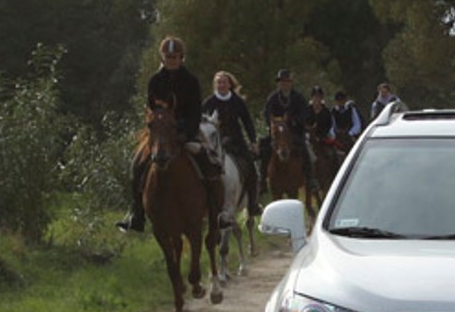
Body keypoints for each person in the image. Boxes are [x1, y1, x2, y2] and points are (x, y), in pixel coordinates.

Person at [118, 35, 211, 233]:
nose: (172, 61)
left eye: (175, 57)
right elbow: (151, 109)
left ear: (181, 58)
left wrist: (185, 133)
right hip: (159, 132)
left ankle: (214, 209)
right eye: (168, 57)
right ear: (163, 58)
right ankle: (137, 214)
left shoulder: (191, 81)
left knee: (208, 159)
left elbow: (195, 112)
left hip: (186, 129)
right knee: (137, 163)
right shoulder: (155, 80)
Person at [202, 69, 260, 218]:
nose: (221, 85)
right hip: (215, 143)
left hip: (236, 142)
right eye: (218, 82)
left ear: (229, 84)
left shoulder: (237, 101)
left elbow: (247, 122)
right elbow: (201, 123)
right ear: (215, 85)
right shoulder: (209, 102)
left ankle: (253, 204)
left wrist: (253, 141)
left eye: (224, 82)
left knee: (252, 169)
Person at [258, 67, 313, 183]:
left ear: (290, 83)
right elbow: (266, 113)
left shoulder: (298, 97)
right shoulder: (273, 98)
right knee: (263, 147)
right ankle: (262, 179)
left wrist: (293, 121)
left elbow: (305, 113)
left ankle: (310, 179)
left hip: (294, 132)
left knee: (305, 149)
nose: (284, 84)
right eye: (282, 82)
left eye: (286, 81)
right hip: (277, 133)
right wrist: (273, 123)